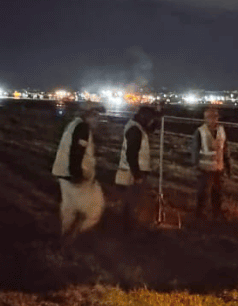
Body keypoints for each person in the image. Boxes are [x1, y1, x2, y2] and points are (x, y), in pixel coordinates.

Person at [52, 102, 105, 243]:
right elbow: (76, 153)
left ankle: (64, 240)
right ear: (87, 114)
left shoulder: (74, 124)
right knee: (94, 209)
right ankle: (74, 237)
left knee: (69, 209)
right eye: (95, 115)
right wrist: (77, 175)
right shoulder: (82, 128)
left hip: (64, 174)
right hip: (77, 176)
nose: (97, 119)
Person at [115, 105, 159, 232]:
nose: (150, 121)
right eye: (150, 118)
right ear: (144, 117)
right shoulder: (135, 130)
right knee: (132, 202)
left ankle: (128, 227)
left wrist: (158, 118)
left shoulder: (137, 127)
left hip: (131, 171)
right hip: (132, 172)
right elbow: (131, 154)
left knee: (131, 202)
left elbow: (150, 129)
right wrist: (138, 175)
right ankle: (129, 229)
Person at [190, 106, 231, 221]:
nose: (213, 119)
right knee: (203, 193)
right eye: (210, 117)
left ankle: (216, 213)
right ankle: (199, 214)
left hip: (218, 168)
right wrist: (195, 165)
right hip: (205, 168)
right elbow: (195, 149)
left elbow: (225, 149)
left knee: (217, 193)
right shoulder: (200, 131)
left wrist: (228, 166)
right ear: (205, 118)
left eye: (215, 117)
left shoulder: (222, 131)